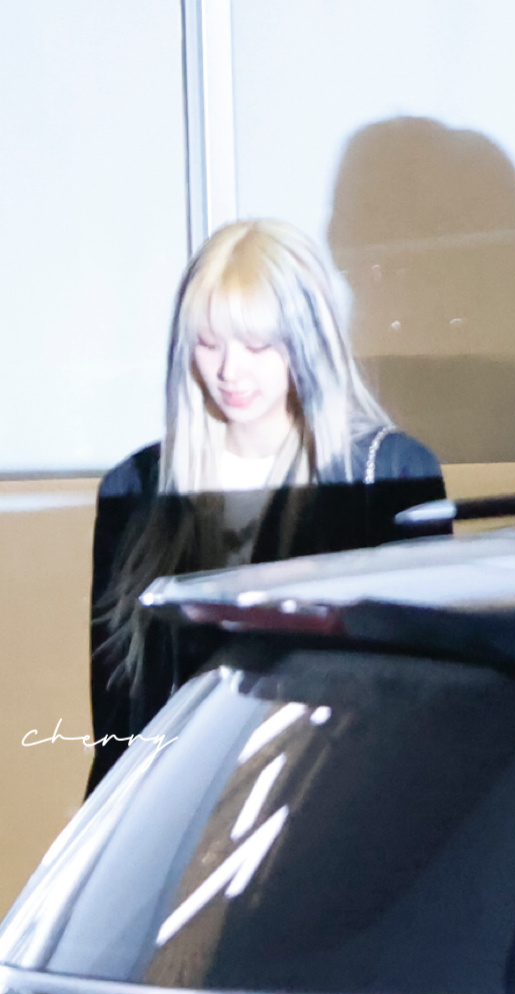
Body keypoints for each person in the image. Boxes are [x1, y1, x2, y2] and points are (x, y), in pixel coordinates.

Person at [86, 219, 446, 795]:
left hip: (332, 800)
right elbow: (118, 718)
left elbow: (425, 692)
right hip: (181, 806)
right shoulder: (136, 489)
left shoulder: (390, 474)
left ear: (306, 341)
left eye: (258, 345)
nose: (230, 370)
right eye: (208, 344)